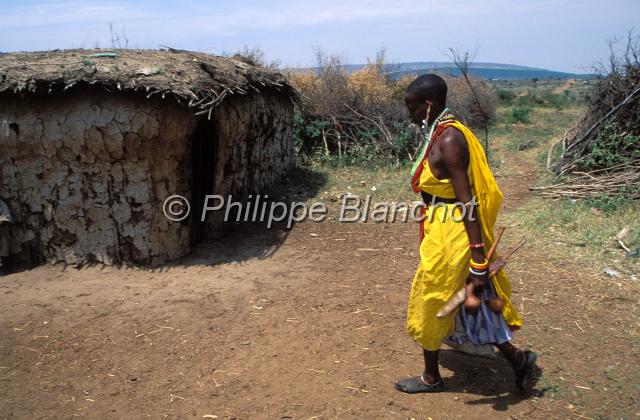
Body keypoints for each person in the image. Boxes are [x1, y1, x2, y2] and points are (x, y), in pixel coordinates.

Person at [394, 74, 537, 394]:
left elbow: (467, 199)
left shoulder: (449, 141)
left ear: (428, 105)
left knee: (432, 298)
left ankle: (430, 378)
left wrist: (477, 256)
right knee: (474, 300)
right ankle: (518, 359)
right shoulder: (440, 133)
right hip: (441, 226)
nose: (409, 113)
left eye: (411, 106)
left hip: (455, 234)